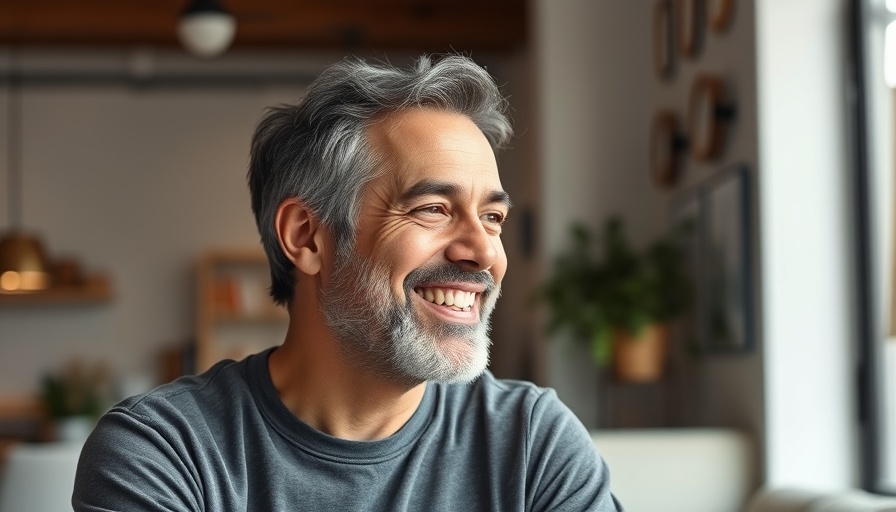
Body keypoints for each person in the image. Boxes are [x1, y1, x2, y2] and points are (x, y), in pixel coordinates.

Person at [73, 54, 622, 511]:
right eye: (433, 208)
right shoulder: (163, 452)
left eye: (493, 218)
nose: (483, 251)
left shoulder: (530, 442)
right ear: (308, 237)